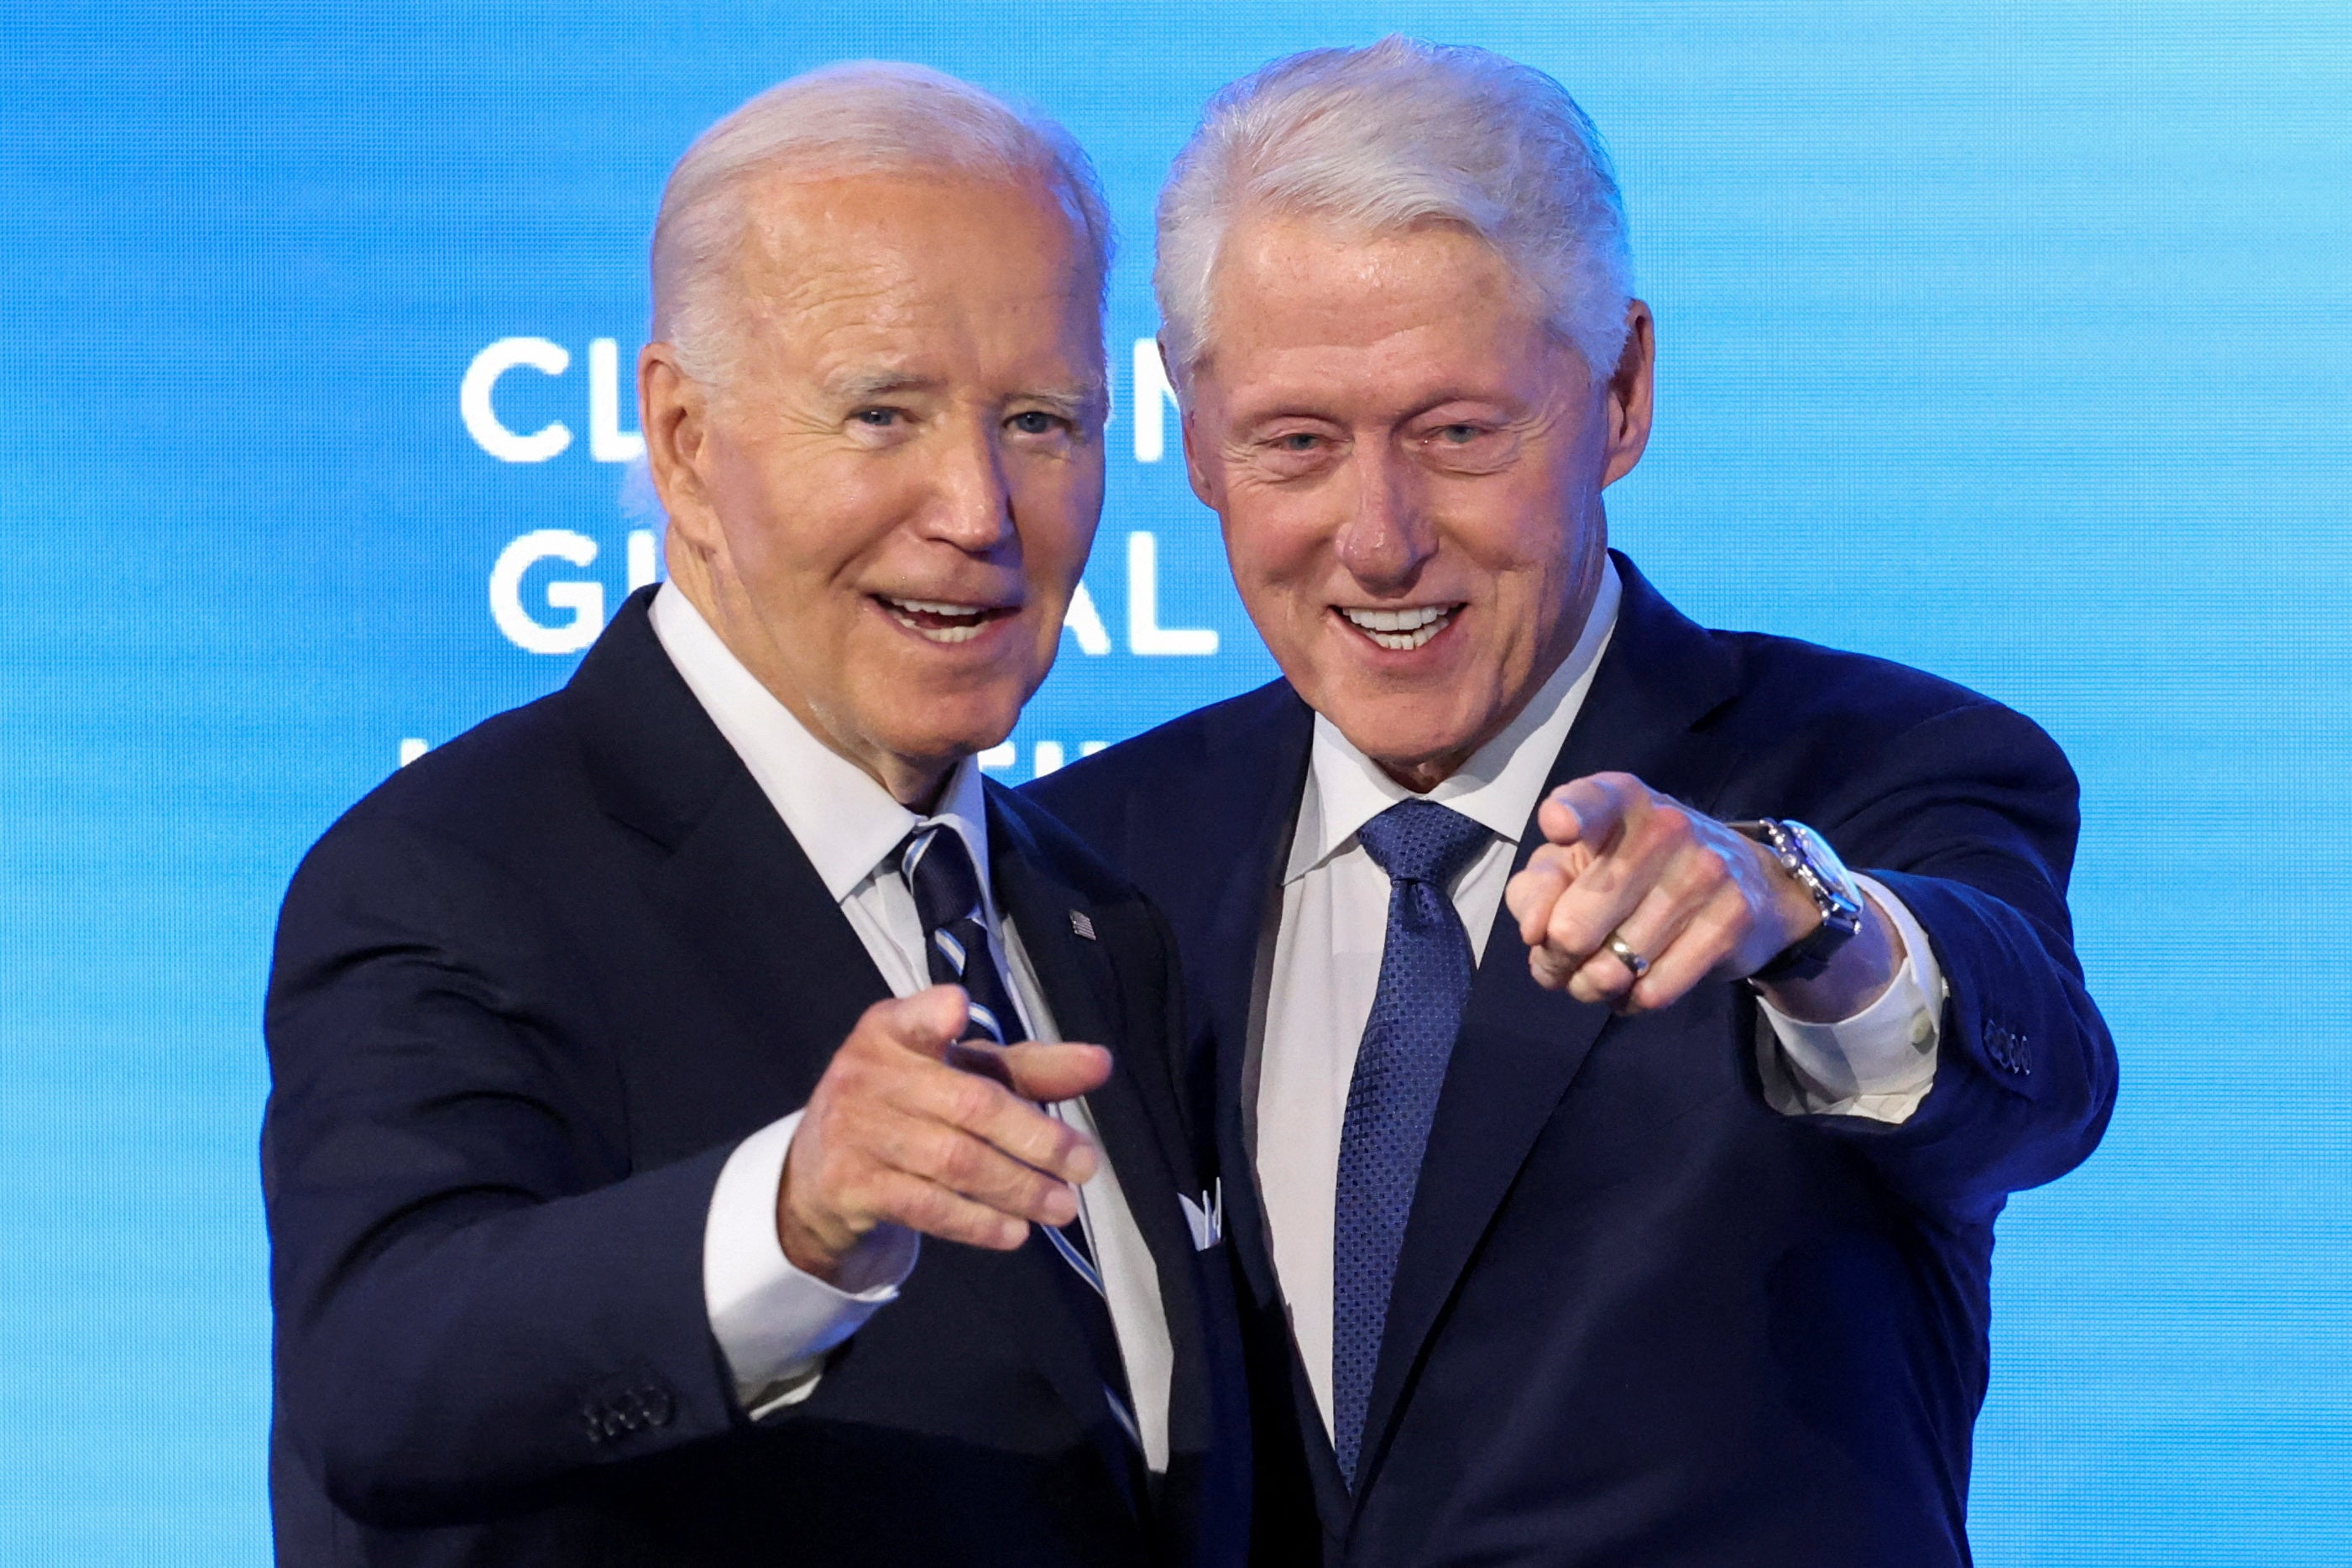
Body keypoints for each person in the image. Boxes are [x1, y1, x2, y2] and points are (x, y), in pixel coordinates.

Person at [1031, 37, 2115, 1567]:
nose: (1380, 537)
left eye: (1458, 432)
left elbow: (2032, 1085)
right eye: (1295, 442)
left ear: (1617, 392)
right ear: (1193, 430)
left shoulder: (1877, 768)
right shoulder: (1087, 857)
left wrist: (1795, 915)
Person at [263, 64, 1249, 1567]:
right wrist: (787, 1221)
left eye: (1042, 420)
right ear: (679, 440)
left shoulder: (1094, 917)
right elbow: (381, 1380)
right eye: (880, 412)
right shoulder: (451, 874)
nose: (979, 509)